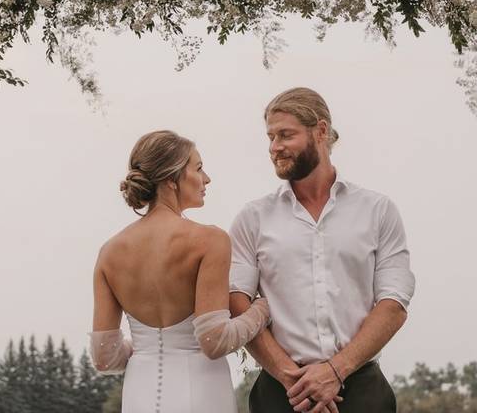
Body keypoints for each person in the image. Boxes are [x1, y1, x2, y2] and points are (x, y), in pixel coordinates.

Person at [229, 88, 416, 413]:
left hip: (363, 393)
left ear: (321, 130)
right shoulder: (253, 218)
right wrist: (290, 377)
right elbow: (235, 301)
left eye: (286, 135)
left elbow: (394, 304)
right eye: (271, 137)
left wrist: (335, 370)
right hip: (281, 393)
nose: (275, 147)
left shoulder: (377, 210)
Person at [89, 130, 271, 413]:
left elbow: (104, 358)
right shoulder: (209, 240)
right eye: (198, 168)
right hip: (202, 392)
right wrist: (262, 309)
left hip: (139, 393)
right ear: (171, 179)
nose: (207, 178)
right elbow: (214, 340)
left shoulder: (109, 252)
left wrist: (146, 346)